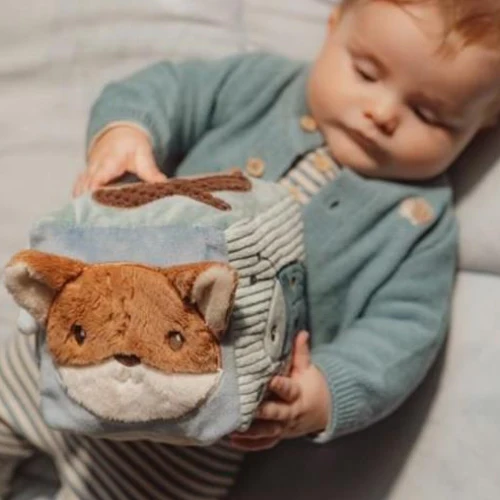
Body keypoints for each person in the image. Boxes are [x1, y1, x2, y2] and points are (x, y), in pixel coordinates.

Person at [1, 0, 499, 498]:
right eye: (366, 73)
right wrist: (126, 132)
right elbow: (170, 89)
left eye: (429, 115)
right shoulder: (262, 85)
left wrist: (324, 391)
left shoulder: (420, 225)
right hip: (69, 347)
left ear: (479, 127)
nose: (382, 114)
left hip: (188, 436)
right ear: (332, 30)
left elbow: (403, 334)